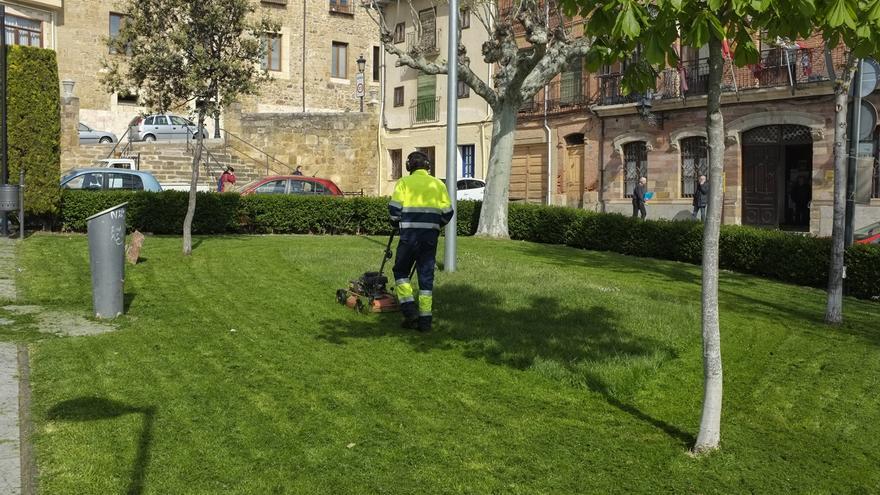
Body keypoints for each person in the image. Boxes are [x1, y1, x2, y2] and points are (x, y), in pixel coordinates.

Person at [388, 151, 453, 332]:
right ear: (428, 166)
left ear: (409, 167)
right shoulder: (438, 184)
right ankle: (425, 322)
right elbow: (448, 212)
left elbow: (394, 210)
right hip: (429, 239)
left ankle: (409, 311)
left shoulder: (404, 183)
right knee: (426, 279)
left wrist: (395, 223)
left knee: (401, 271)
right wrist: (435, 225)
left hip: (409, 237)